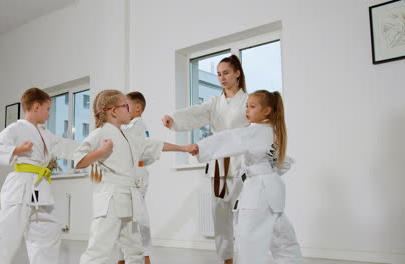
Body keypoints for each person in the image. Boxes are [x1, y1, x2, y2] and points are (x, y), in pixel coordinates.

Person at [75, 90, 197, 264]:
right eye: (125, 106)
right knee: (98, 250)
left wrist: (184, 148)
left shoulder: (128, 135)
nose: (128, 109)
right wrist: (101, 151)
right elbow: (79, 160)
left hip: (128, 199)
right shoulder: (100, 133)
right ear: (114, 111)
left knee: (135, 251)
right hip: (111, 199)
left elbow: (155, 145)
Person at [0, 88, 79, 264]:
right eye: (47, 109)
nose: (49, 114)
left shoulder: (44, 133)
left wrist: (92, 148)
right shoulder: (17, 128)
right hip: (21, 185)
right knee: (6, 231)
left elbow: (64, 145)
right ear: (36, 107)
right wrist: (17, 149)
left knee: (48, 229)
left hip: (38, 187)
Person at [194, 90, 302, 263]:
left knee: (249, 241)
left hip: (258, 191)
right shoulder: (274, 131)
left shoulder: (256, 131)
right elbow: (283, 163)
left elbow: (230, 138)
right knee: (283, 241)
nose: (247, 110)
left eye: (252, 107)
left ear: (266, 111)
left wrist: (198, 147)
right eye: (246, 106)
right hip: (273, 190)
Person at [162, 55, 248, 264]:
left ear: (237, 73)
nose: (221, 78)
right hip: (219, 165)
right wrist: (174, 118)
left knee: (246, 214)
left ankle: (248, 257)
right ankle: (227, 259)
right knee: (220, 215)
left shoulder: (249, 101)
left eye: (226, 73)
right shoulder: (214, 103)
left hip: (244, 164)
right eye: (218, 74)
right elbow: (196, 112)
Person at [117, 91, 153, 264]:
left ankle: (144, 257)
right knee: (123, 218)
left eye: (126, 106)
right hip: (129, 177)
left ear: (137, 108)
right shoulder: (131, 126)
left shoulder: (136, 125)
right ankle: (122, 257)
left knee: (138, 219)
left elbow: (123, 135)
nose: (123, 110)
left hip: (137, 179)